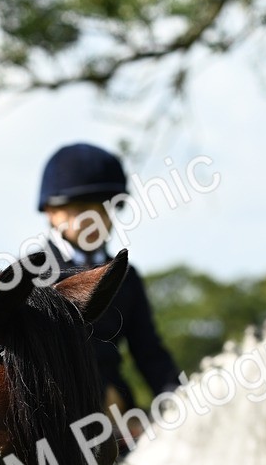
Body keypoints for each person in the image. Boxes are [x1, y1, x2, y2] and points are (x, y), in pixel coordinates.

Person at [32, 142, 180, 414]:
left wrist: (177, 400)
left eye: (104, 208)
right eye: (82, 209)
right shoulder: (29, 278)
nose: (96, 219)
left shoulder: (125, 276)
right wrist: (99, 392)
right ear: (52, 212)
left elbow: (149, 352)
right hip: (51, 417)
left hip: (120, 414)